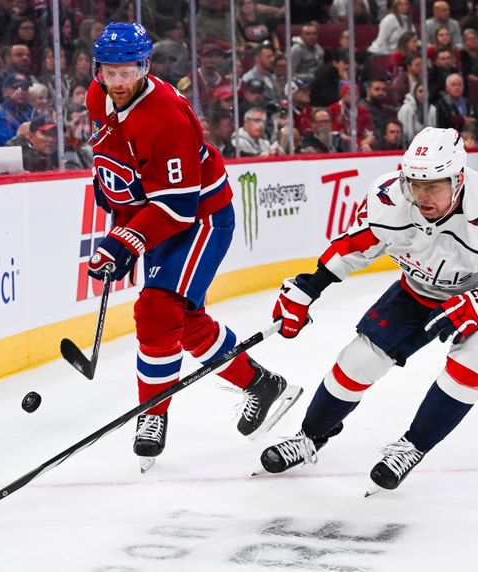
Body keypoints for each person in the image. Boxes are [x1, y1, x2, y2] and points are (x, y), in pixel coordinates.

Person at [263, 127, 478, 495]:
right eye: (415, 184)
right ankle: (310, 437)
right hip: (419, 288)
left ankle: (413, 446)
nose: (421, 196)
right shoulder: (388, 197)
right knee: (358, 361)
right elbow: (355, 246)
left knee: (474, 361)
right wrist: (309, 286)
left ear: (459, 179)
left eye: (433, 185)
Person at [85, 22, 300, 469]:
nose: (119, 82)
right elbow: (123, 165)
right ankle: (260, 384)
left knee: (157, 310)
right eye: (111, 71)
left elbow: (178, 207)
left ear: (145, 67)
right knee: (181, 318)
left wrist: (126, 240)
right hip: (159, 214)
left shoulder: (165, 115)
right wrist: (118, 215)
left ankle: (153, 413)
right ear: (98, 69)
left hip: (199, 218)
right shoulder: (97, 96)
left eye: (129, 71)